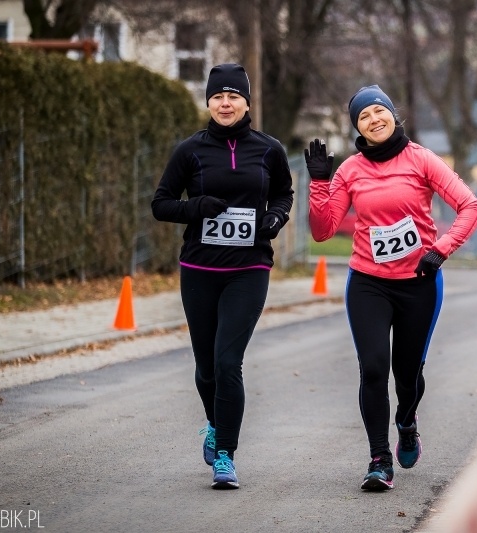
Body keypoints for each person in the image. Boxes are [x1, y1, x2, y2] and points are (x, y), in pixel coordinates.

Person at [306, 85, 477, 491]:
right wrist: (318, 183)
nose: (374, 119)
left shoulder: (421, 159)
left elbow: (471, 207)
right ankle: (379, 460)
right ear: (358, 128)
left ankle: (406, 421)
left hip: (419, 282)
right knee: (373, 368)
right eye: (363, 116)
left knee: (407, 375)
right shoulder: (350, 170)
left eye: (378, 111)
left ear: (392, 114)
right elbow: (322, 231)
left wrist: (440, 250)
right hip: (368, 283)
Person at [151, 63, 294, 490]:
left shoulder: (269, 150)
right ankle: (215, 423)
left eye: (233, 96)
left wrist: (275, 218)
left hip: (249, 268)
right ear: (209, 102)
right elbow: (161, 204)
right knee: (206, 367)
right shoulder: (189, 151)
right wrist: (195, 207)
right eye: (218, 97)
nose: (225, 103)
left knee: (228, 362)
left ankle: (226, 456)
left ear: (247, 102)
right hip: (199, 269)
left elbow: (284, 194)